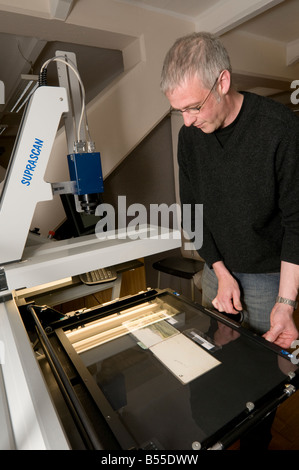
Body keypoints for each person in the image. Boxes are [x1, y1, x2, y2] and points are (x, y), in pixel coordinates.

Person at [160, 32, 299, 350]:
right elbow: (192, 209)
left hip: (268, 275)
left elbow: (296, 221)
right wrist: (220, 271)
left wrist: (286, 303)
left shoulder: (279, 129)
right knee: (217, 359)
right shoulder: (189, 136)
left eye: (194, 106)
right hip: (215, 268)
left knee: (263, 371)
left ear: (222, 82)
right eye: (178, 110)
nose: (188, 120)